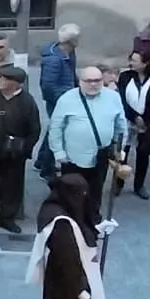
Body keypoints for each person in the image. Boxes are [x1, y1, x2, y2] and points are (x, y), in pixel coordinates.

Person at [27, 174, 108, 299]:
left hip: (62, 278)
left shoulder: (58, 209)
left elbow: (81, 231)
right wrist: (80, 288)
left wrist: (99, 229)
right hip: (68, 281)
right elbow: (68, 258)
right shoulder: (61, 223)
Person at [43, 64, 127, 220]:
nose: (93, 84)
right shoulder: (67, 99)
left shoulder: (113, 97)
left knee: (96, 189)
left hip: (101, 154)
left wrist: (119, 148)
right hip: (72, 156)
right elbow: (55, 127)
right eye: (89, 81)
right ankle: (71, 218)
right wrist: (58, 152)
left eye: (97, 80)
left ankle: (92, 218)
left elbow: (121, 125)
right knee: (71, 190)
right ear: (80, 81)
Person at [0, 66, 41, 233]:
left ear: (15, 83)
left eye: (5, 79)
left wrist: (24, 149)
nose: (1, 81)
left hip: (13, 155)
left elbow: (34, 129)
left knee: (11, 186)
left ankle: (7, 217)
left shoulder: (27, 102)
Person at [117, 51, 150, 200]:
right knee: (122, 153)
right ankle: (118, 182)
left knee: (143, 153)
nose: (131, 63)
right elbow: (121, 99)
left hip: (148, 122)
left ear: (146, 63)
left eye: (135, 60)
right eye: (131, 60)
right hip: (127, 120)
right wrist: (134, 117)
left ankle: (139, 184)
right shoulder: (125, 76)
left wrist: (144, 119)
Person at [34, 23, 80, 179]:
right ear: (72, 41)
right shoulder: (54, 59)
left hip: (67, 97)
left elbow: (72, 74)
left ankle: (40, 161)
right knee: (57, 131)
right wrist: (64, 101)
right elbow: (48, 86)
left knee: (54, 129)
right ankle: (46, 169)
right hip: (58, 100)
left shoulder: (69, 52)